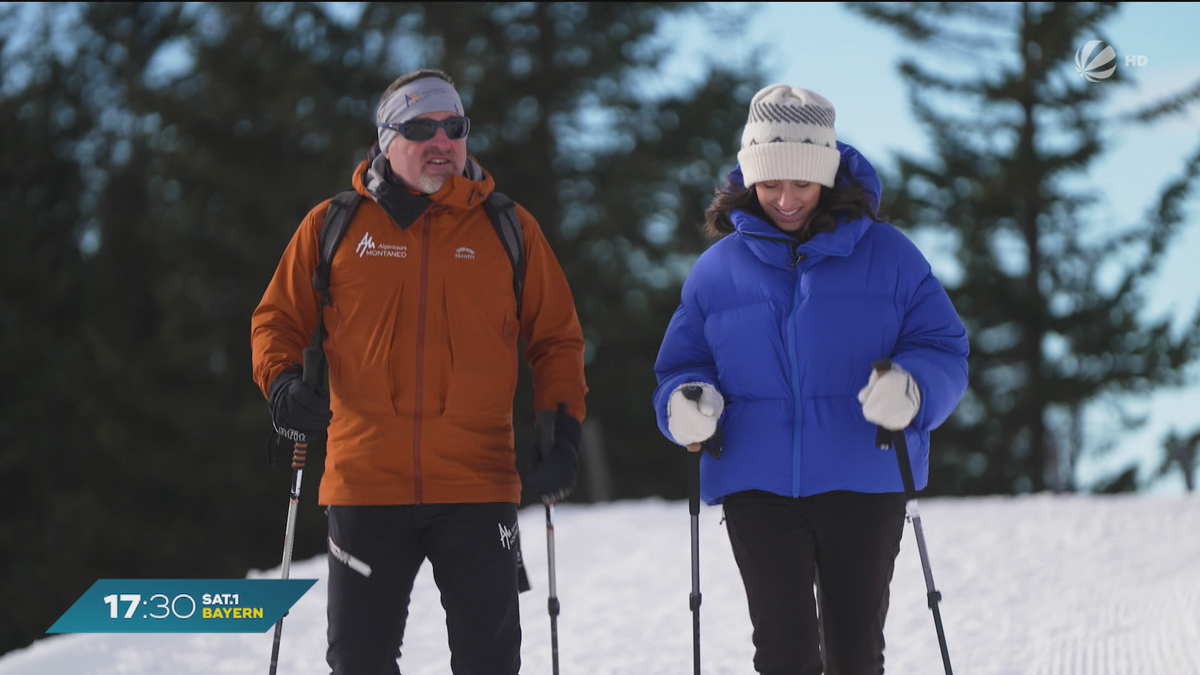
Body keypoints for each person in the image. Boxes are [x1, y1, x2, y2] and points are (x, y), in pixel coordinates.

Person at [251, 69, 588, 675]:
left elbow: (557, 339)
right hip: (365, 484)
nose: (442, 140)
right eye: (420, 127)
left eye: (454, 127)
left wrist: (559, 432)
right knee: (358, 662)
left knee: (489, 663)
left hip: (478, 485)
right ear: (386, 140)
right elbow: (276, 319)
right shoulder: (335, 226)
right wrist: (281, 383)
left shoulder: (509, 229)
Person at [652, 84, 969, 674]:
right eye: (769, 183)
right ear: (749, 180)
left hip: (865, 479)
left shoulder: (892, 256)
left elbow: (944, 348)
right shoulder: (716, 270)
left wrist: (915, 388)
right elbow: (682, 364)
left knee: (854, 651)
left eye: (801, 182)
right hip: (757, 482)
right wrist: (684, 402)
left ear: (827, 177)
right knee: (784, 652)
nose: (785, 199)